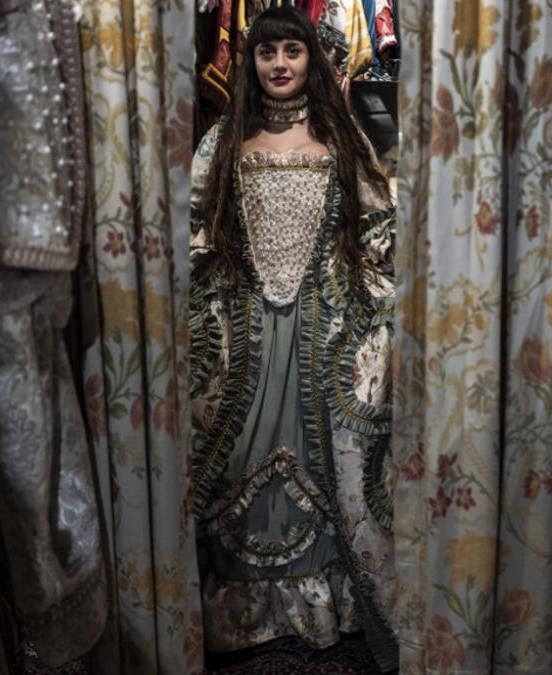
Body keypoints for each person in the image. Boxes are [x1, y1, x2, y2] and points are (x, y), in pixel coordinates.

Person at [188, 6, 397, 670]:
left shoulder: (343, 139)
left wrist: (377, 292)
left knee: (327, 469)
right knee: (233, 468)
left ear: (313, 60)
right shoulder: (221, 141)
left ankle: (319, 604)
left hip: (321, 330)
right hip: (241, 335)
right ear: (248, 63)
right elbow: (195, 229)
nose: (279, 64)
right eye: (266, 52)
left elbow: (377, 230)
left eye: (291, 52)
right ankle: (243, 614)